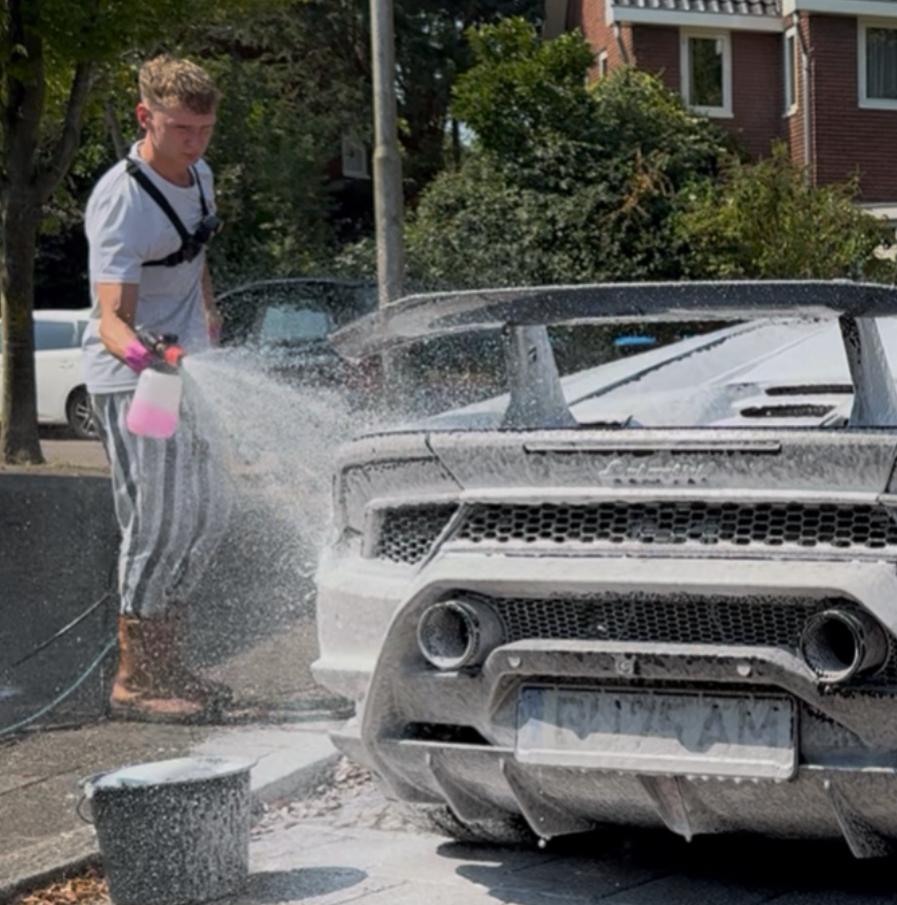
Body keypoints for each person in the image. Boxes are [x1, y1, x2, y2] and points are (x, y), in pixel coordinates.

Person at [82, 55, 232, 722]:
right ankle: (134, 679)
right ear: (146, 118)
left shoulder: (199, 176)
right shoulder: (122, 199)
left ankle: (170, 661)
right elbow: (110, 318)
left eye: (203, 128)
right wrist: (154, 357)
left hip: (183, 363)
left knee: (209, 512)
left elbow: (193, 254)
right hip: (136, 374)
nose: (194, 142)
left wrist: (206, 321)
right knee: (161, 518)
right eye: (180, 129)